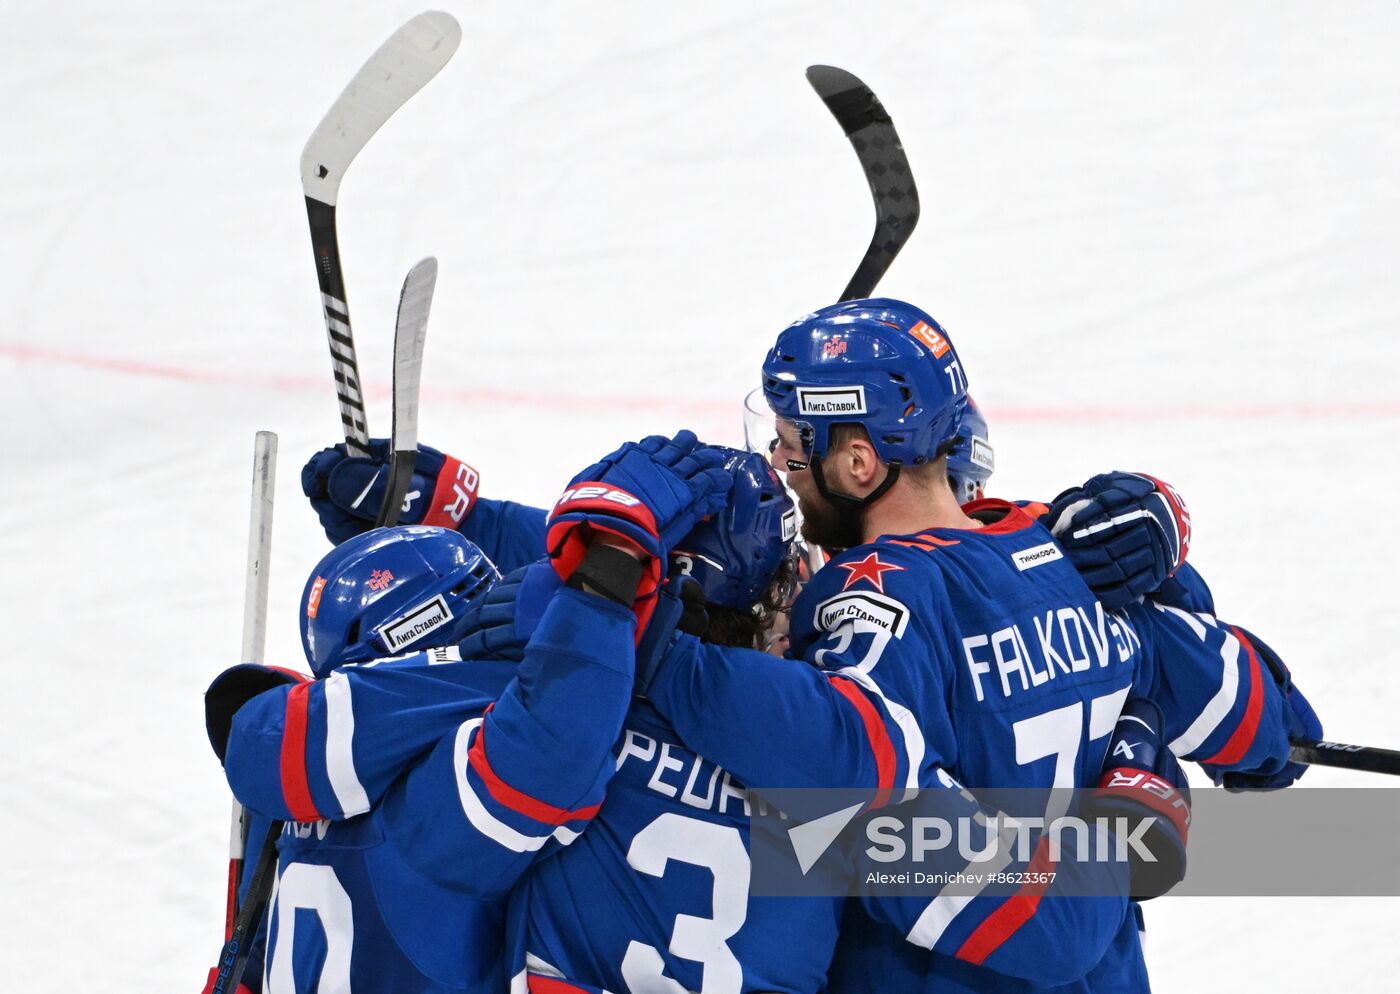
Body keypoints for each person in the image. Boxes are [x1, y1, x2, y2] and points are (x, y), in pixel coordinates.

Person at [204, 432, 731, 994]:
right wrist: (608, 567)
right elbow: (554, 737)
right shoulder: (438, 810)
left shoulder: (292, 783)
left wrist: (480, 521)